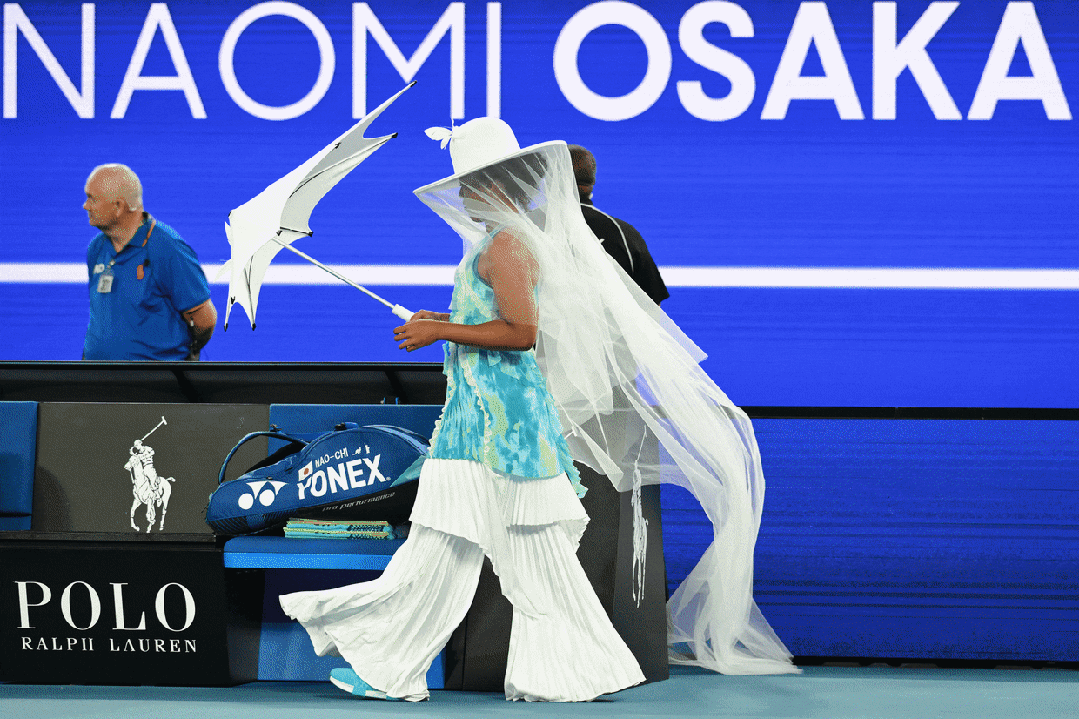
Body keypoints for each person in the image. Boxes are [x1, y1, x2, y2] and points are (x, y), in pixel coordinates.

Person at [280, 118, 798, 704]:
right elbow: (502, 321)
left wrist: (441, 331)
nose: (463, 194)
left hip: (496, 427)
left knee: (465, 550)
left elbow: (521, 333)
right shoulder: (507, 241)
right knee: (491, 552)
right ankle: (555, 669)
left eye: (469, 183)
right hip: (491, 421)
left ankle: (397, 665)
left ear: (495, 185)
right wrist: (442, 321)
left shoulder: (506, 244)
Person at [82, 164, 216, 360]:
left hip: (157, 376)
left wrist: (181, 356)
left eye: (92, 199)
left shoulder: (167, 248)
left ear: (118, 207)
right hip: (98, 374)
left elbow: (204, 320)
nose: (86, 206)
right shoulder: (97, 247)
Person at [567, 144, 669, 305]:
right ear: (592, 182)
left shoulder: (531, 227)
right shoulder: (624, 233)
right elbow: (652, 306)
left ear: (551, 178)